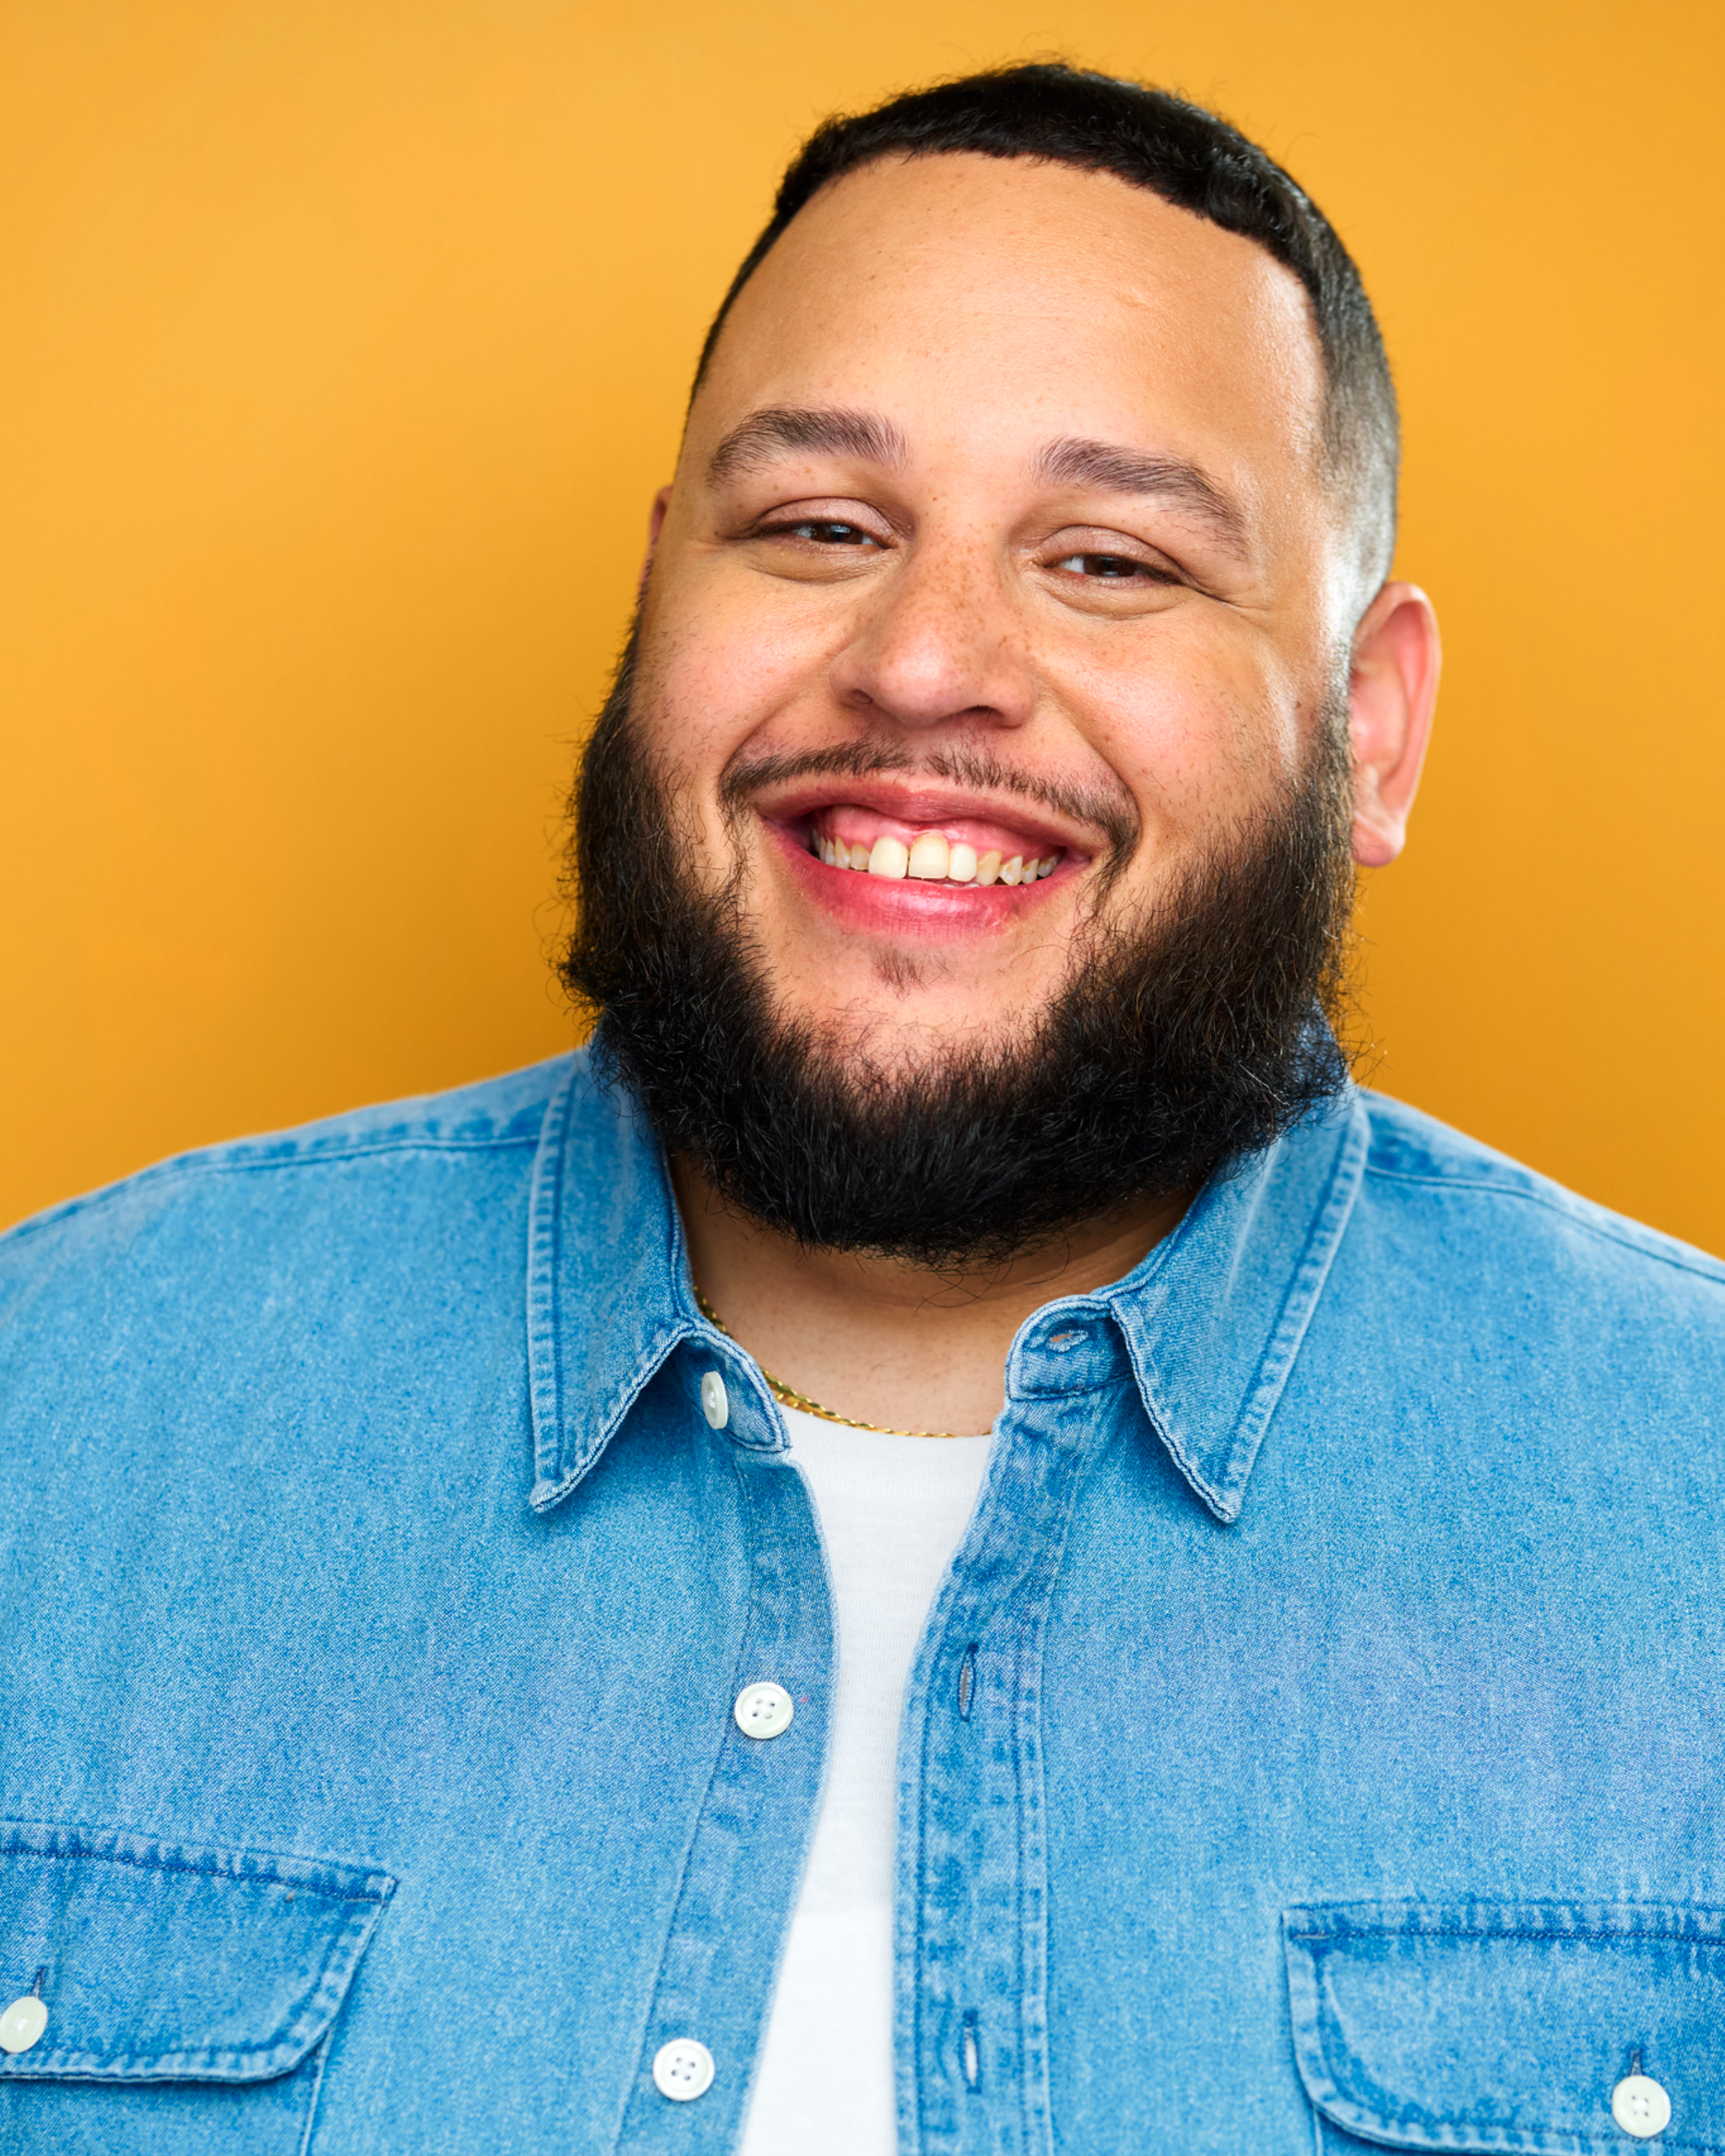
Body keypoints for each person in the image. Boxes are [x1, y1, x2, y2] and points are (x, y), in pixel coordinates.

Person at [0, 59, 1719, 2156]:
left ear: (1367, 731)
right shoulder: (55, 1418)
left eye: (1109, 559)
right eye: (819, 528)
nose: (924, 665)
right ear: (658, 607)